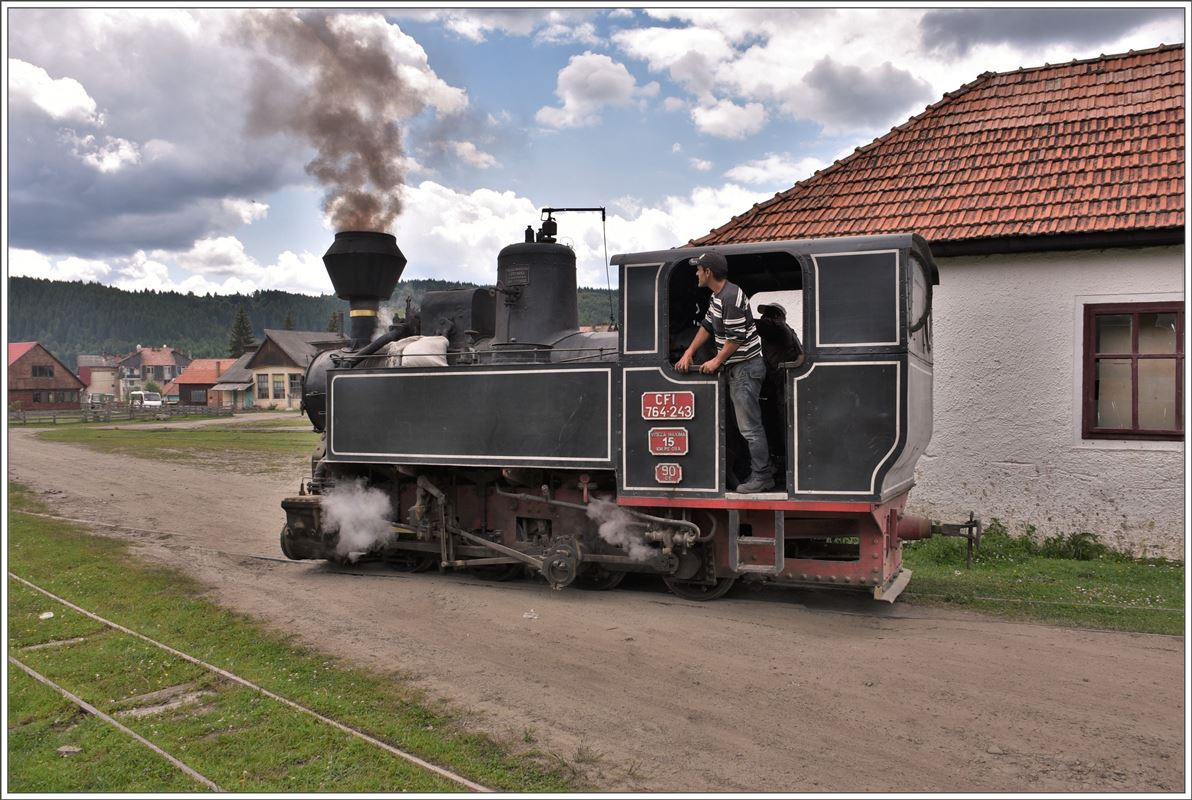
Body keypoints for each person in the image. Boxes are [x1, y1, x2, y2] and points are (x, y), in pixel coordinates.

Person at [674, 251, 773, 493]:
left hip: (746, 368)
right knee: (745, 426)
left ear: (708, 272)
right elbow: (707, 325)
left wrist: (716, 360)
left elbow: (736, 338)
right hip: (739, 368)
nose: (696, 273)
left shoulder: (729, 298)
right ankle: (756, 470)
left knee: (750, 427)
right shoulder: (718, 296)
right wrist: (689, 352)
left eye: (699, 269)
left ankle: (762, 476)